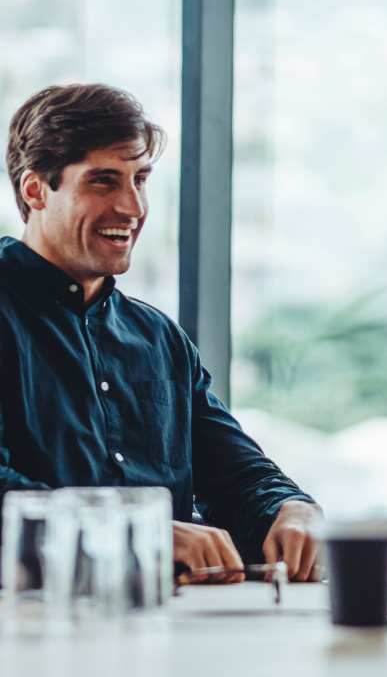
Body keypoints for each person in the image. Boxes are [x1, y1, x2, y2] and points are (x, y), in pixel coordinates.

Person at [0, 83, 321, 583]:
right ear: (35, 189)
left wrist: (290, 508)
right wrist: (136, 532)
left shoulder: (159, 339)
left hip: (173, 628)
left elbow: (236, 474)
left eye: (141, 180)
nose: (133, 208)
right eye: (103, 181)